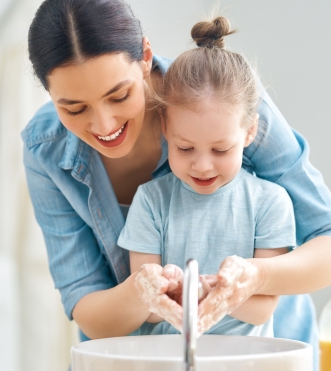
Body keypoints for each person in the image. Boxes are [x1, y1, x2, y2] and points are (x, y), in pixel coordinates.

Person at [23, 0, 331, 371]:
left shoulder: (224, 101)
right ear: (48, 93)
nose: (104, 125)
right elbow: (87, 307)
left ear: (145, 57)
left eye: (119, 95)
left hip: (262, 360)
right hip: (135, 360)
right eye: (73, 107)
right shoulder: (45, 148)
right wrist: (138, 292)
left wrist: (255, 278)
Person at [117, 16, 296, 338]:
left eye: (220, 150)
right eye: (185, 148)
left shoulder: (270, 203)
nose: (202, 166)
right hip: (167, 366)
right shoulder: (152, 200)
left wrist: (203, 290)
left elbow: (261, 310)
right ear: (165, 129)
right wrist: (165, 288)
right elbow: (149, 310)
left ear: (250, 131)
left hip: (245, 370)